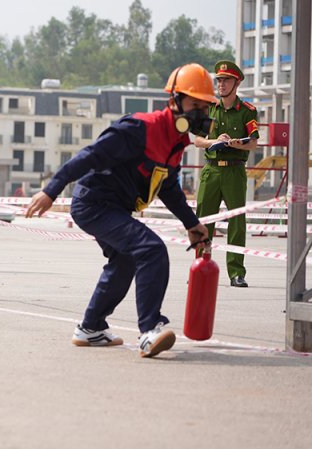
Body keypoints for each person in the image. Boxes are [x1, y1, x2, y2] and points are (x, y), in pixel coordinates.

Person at [26, 63, 214, 358]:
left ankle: (90, 328)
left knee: (125, 260)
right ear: (174, 101)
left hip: (115, 208)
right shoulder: (141, 128)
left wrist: (192, 224)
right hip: (94, 203)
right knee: (151, 248)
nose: (200, 114)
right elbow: (89, 155)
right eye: (194, 105)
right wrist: (51, 190)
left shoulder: (177, 143)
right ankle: (150, 330)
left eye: (205, 108)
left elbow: (168, 188)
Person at [193, 60, 259, 288]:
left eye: (226, 80)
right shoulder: (209, 108)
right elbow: (197, 140)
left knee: (237, 223)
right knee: (203, 222)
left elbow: (253, 142)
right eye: (219, 80)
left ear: (236, 83)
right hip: (211, 171)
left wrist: (238, 143)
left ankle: (236, 272)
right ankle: (200, 270)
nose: (221, 84)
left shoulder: (247, 111)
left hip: (235, 170)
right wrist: (214, 141)